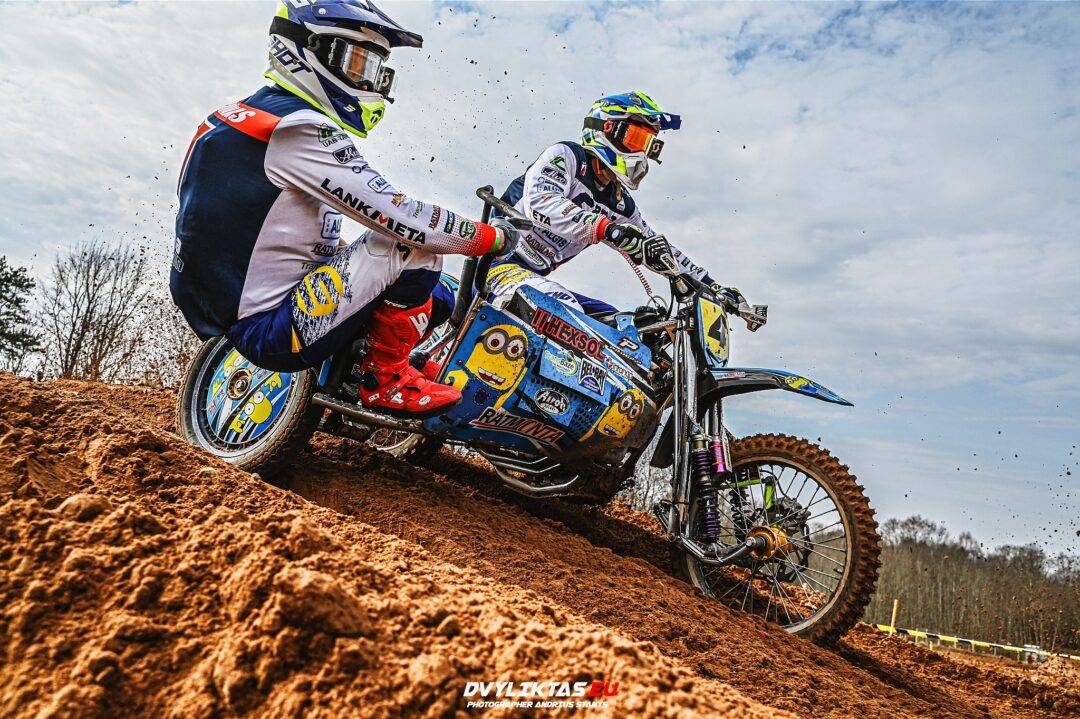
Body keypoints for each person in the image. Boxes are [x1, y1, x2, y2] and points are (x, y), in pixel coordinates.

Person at [170, 0, 517, 418]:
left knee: (437, 291)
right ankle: (384, 380)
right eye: (357, 62)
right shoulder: (299, 128)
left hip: (219, 300)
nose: (366, 81)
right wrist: (492, 238)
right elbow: (404, 218)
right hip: (269, 327)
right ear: (308, 49)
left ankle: (377, 362)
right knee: (413, 249)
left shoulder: (236, 117)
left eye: (374, 69)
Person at [477, 91, 721, 319]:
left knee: (624, 329)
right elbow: (541, 203)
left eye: (647, 145)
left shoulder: (621, 204)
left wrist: (713, 287)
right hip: (494, 265)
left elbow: (655, 245)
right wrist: (607, 229)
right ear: (607, 129)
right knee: (564, 311)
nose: (641, 154)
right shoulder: (567, 156)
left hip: (531, 277)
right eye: (636, 139)